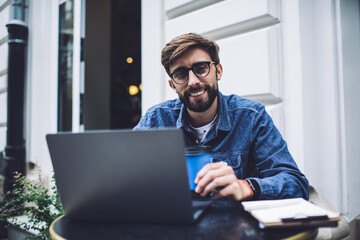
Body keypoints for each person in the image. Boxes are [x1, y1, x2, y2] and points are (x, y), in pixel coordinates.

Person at [134, 33, 309, 201]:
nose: (193, 81)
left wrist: (246, 187)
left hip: (236, 226)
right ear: (173, 85)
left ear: (218, 71)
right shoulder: (156, 119)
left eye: (201, 68)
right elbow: (126, 176)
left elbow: (296, 183)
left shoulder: (251, 117)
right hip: (176, 225)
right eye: (181, 74)